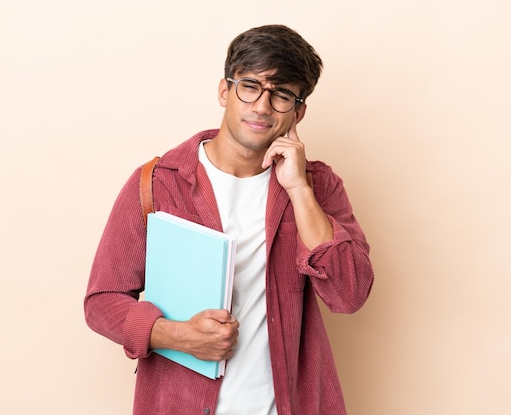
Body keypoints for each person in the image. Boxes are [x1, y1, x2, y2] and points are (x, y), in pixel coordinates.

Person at [84, 24, 374, 415]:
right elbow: (102, 302)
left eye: (282, 94)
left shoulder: (318, 186)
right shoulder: (157, 184)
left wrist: (300, 190)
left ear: (299, 111)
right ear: (225, 90)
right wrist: (178, 335)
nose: (262, 106)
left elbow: (349, 293)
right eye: (250, 86)